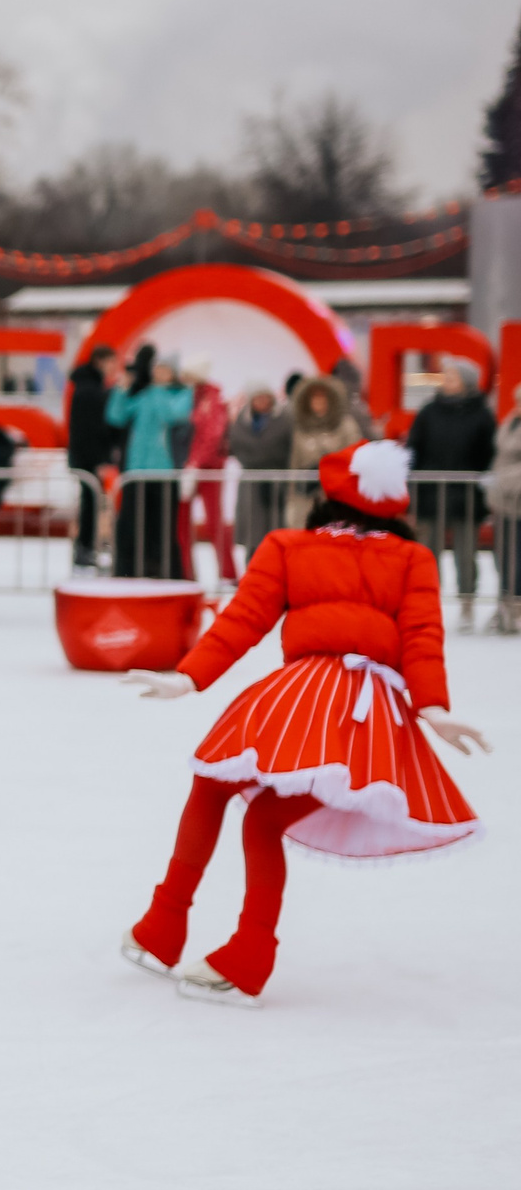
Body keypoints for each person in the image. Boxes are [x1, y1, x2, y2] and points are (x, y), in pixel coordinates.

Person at [119, 440, 488, 1004]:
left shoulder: (289, 545)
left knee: (214, 784)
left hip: (301, 696)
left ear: (328, 497)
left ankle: (167, 923)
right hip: (366, 713)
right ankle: (242, 951)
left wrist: (189, 677)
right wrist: (432, 708)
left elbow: (243, 619)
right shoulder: (414, 560)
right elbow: (422, 640)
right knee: (265, 819)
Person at [404, 358, 498, 632]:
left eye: (453, 376)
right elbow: (414, 448)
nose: (447, 380)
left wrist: (481, 478)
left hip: (466, 496)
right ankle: (426, 606)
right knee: (426, 555)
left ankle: (467, 603)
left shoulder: (481, 414)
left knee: (465, 554)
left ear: (466, 382)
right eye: (446, 375)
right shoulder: (429, 411)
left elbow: (487, 453)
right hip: (430, 495)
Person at [106, 346, 191, 579]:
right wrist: (121, 391)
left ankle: (164, 571)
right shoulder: (144, 395)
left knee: (162, 527)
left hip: (164, 472)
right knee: (134, 525)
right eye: (157, 369)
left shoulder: (181, 394)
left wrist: (159, 391)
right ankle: (132, 570)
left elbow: (172, 416)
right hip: (136, 471)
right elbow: (117, 415)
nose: (159, 374)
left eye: (164, 369)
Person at [177, 355, 237, 588]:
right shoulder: (190, 397)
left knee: (214, 522)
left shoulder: (212, 399)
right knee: (181, 523)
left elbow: (211, 436)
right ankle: (185, 573)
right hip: (190, 468)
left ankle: (227, 573)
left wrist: (194, 464)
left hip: (208, 468)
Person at [65, 345, 121, 571]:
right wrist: (99, 459)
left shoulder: (88, 386)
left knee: (90, 503)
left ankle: (85, 547)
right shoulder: (90, 390)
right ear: (100, 361)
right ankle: (84, 547)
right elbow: (90, 430)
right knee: (90, 503)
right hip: (88, 458)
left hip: (84, 457)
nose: (113, 368)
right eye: (110, 362)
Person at [226, 380, 291, 556]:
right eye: (258, 398)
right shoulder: (242, 420)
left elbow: (287, 446)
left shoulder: (284, 419)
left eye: (266, 397)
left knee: (276, 528)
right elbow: (236, 445)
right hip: (251, 483)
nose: (262, 402)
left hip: (277, 482)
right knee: (252, 532)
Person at [284, 373, 356, 528]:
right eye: (315, 398)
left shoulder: (345, 426)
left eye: (323, 398)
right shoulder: (302, 428)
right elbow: (294, 464)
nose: (319, 402)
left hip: (336, 496)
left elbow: (354, 456)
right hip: (306, 496)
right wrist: (291, 500)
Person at [488, 399, 521, 636]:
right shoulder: (510, 422)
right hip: (505, 500)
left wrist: (504, 478)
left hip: (515, 493)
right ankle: (507, 604)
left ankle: (516, 607)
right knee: (504, 554)